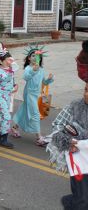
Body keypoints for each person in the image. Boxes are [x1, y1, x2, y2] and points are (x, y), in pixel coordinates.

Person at [47, 82, 88, 210]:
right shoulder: (75, 106)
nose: (86, 94)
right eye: (86, 89)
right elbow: (57, 126)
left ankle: (70, 201)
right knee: (83, 201)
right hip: (79, 160)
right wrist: (67, 141)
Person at [12, 45, 54, 146]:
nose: (35, 58)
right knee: (35, 114)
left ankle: (14, 128)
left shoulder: (41, 69)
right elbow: (25, 77)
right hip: (29, 93)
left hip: (37, 94)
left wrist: (49, 79)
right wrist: (33, 70)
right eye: (33, 56)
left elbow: (43, 82)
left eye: (38, 56)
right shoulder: (28, 68)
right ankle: (39, 138)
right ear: (29, 58)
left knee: (25, 111)